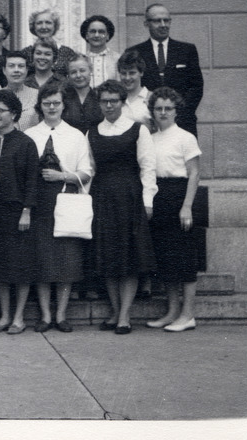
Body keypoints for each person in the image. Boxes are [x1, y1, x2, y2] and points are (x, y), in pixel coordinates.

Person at [88, 80, 157, 335]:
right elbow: (91, 169)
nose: (108, 105)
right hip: (102, 197)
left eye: (113, 101)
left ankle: (125, 315)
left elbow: (148, 167)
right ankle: (115, 311)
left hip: (130, 197)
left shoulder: (138, 130)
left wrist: (147, 201)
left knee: (128, 256)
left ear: (122, 102)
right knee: (107, 256)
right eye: (104, 101)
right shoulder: (93, 132)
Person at [24, 82, 92, 332]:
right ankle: (44, 315)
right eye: (47, 103)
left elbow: (86, 172)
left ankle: (61, 315)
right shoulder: (31, 135)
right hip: (39, 202)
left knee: (66, 260)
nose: (52, 107)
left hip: (66, 201)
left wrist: (63, 176)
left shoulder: (75, 135)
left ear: (64, 106)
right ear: (40, 106)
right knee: (42, 260)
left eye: (56, 103)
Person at [146, 87, 202, 332]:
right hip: (159, 198)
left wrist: (187, 206)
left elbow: (195, 173)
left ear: (176, 111)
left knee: (185, 259)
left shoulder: (185, 137)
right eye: (158, 108)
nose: (163, 112)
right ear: (153, 112)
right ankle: (171, 312)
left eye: (168, 108)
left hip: (180, 197)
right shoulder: (150, 138)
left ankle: (188, 314)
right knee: (166, 259)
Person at [0, 89, 39, 334]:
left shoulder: (26, 143)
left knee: (20, 265)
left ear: (14, 114)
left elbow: (31, 181)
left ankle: (19, 317)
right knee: (1, 265)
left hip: (17, 211)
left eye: (0, 111)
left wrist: (26, 210)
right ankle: (4, 316)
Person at [124, 4, 203, 137]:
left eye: (166, 20)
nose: (163, 25)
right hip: (148, 123)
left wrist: (177, 113)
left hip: (182, 122)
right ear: (146, 24)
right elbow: (132, 86)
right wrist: (151, 114)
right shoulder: (135, 52)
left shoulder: (186, 50)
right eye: (157, 21)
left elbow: (196, 87)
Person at [22, 9, 78, 75]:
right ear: (34, 26)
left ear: (55, 26)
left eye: (48, 23)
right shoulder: (25, 53)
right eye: (39, 23)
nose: (44, 27)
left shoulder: (67, 53)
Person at [61, 55, 102, 134]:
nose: (78, 75)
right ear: (68, 76)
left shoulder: (99, 97)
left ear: (91, 71)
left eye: (82, 70)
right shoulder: (62, 98)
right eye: (73, 72)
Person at [2, 51, 39, 131]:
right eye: (11, 66)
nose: (16, 70)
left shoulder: (37, 95)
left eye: (21, 66)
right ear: (4, 70)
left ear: (26, 70)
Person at [80, 14, 119, 87]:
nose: (96, 35)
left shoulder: (117, 59)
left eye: (101, 32)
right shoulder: (81, 60)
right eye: (92, 31)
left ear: (107, 36)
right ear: (86, 35)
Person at [118, 49, 152, 129]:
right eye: (123, 73)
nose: (127, 78)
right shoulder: (116, 98)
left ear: (141, 73)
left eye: (132, 73)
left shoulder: (152, 98)